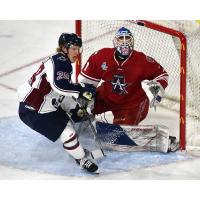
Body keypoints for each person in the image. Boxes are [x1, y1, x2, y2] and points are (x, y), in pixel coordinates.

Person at [78, 27, 178, 152]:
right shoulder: (101, 56)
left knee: (120, 136)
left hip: (132, 103)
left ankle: (162, 140)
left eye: (127, 39)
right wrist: (85, 99)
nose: (124, 42)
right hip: (106, 96)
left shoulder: (142, 60)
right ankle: (72, 128)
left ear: (132, 42)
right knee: (78, 110)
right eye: (121, 38)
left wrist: (158, 87)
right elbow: (86, 81)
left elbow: (162, 75)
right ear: (115, 41)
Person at [17, 33, 99, 173]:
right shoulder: (60, 60)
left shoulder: (62, 62)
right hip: (34, 111)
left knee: (76, 115)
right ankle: (80, 159)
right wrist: (81, 89)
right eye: (73, 48)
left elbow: (58, 91)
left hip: (45, 104)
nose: (77, 52)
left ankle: (75, 149)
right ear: (64, 48)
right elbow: (59, 86)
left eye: (78, 49)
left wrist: (76, 107)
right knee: (68, 134)